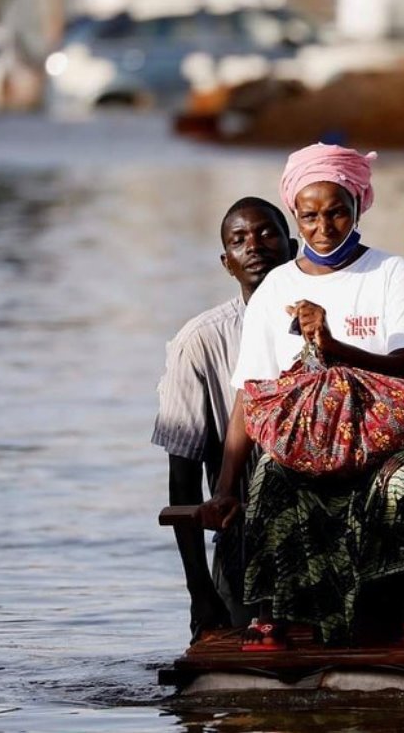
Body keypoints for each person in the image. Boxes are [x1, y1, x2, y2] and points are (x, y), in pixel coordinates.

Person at [201, 143, 404, 649]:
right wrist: (224, 487)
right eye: (309, 216)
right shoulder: (275, 289)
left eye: (337, 212)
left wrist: (333, 348)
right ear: (295, 215)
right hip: (305, 448)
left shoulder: (392, 273)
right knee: (270, 473)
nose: (324, 227)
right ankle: (273, 615)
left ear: (358, 204)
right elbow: (252, 395)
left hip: (381, 444)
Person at [152, 197, 295, 651]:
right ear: (226, 262)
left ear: (292, 246)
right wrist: (199, 594)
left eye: (267, 233)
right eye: (239, 240)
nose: (255, 246)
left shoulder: (324, 320)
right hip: (245, 533)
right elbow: (182, 478)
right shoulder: (201, 341)